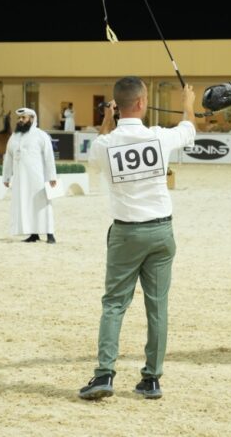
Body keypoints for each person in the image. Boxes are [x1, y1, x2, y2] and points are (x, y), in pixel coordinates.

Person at [78, 76, 196, 401]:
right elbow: (189, 129)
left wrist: (106, 120)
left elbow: (93, 158)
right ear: (142, 102)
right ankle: (152, 379)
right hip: (161, 231)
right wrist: (187, 104)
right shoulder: (158, 137)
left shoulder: (105, 144)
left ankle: (104, 373)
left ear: (117, 106)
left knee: (114, 304)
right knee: (157, 307)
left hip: (126, 233)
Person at [2, 108, 58, 244]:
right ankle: (33, 234)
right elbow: (8, 157)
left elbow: (49, 157)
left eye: (24, 118)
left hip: (38, 179)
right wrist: (6, 176)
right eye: (19, 118)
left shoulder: (41, 135)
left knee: (43, 205)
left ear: (32, 119)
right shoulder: (14, 137)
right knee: (26, 205)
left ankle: (50, 234)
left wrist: (52, 176)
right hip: (20, 180)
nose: (20, 120)